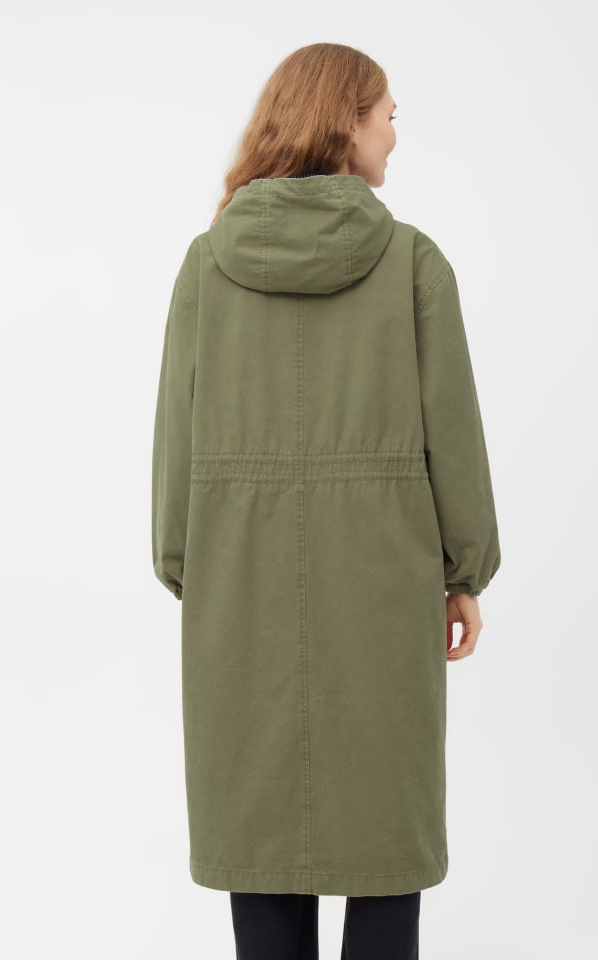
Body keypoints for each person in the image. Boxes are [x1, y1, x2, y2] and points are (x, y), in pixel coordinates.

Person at [151, 41, 501, 960]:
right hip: (383, 594)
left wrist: (188, 564)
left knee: (261, 842)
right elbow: (454, 435)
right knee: (386, 843)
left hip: (242, 593)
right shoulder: (414, 264)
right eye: (388, 116)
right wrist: (465, 571)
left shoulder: (206, 266)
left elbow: (176, 440)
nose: (395, 135)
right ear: (345, 123)